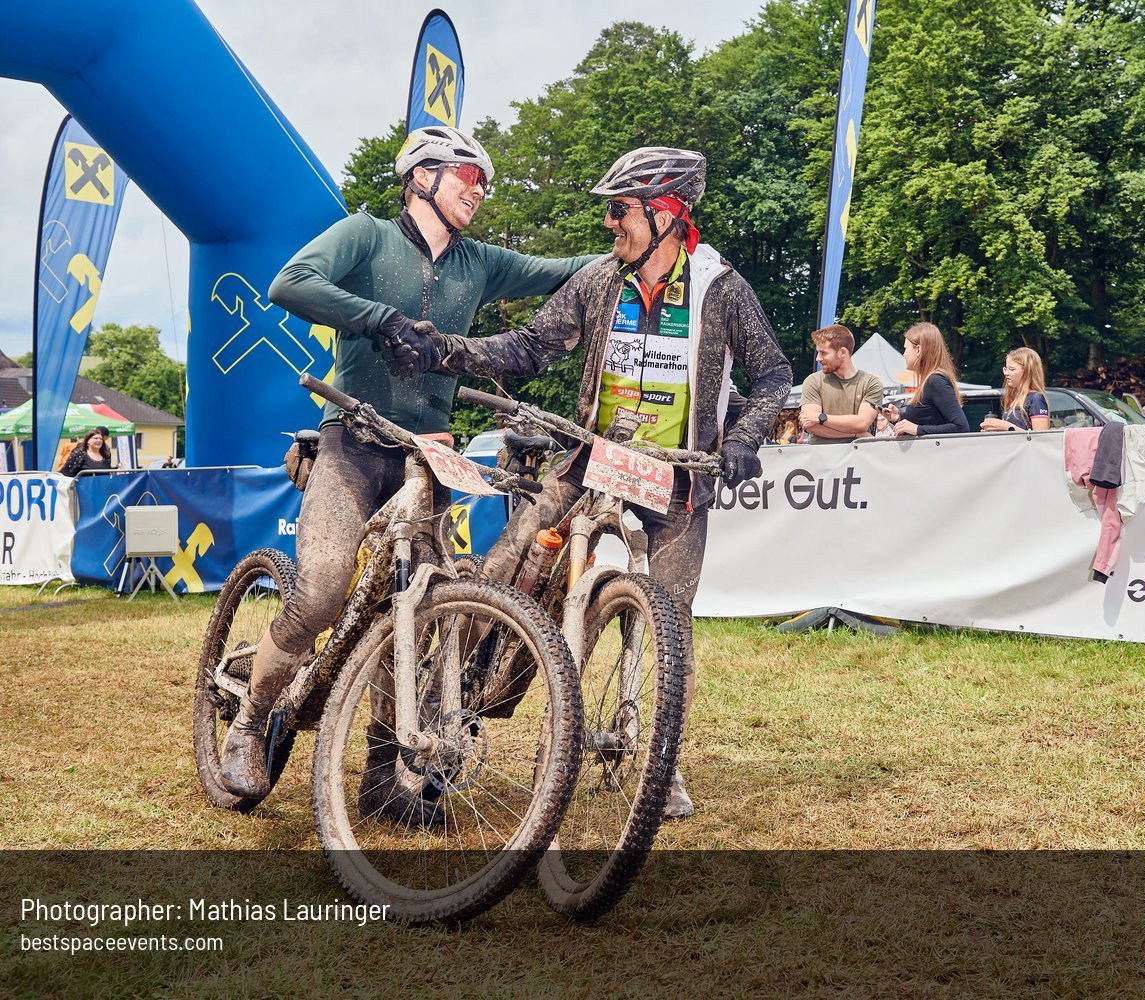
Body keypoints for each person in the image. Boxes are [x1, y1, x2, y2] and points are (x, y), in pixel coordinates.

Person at [401, 146, 793, 818]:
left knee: (671, 620)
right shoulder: (601, 278)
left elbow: (775, 374)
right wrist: (446, 349)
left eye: (621, 211)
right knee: (505, 564)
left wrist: (744, 437)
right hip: (595, 459)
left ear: (666, 214)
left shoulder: (720, 286)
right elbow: (530, 346)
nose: (610, 224)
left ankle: (662, 763)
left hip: (677, 479)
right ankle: (450, 705)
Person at [218, 125, 597, 809]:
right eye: (468, 176)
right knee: (321, 592)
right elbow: (288, 283)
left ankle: (383, 774)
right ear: (422, 176)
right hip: (353, 441)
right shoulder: (365, 234)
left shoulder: (479, 261)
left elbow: (561, 269)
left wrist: (645, 252)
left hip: (430, 456)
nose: (479, 191)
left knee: (417, 612)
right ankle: (249, 721)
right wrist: (380, 319)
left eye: (484, 183)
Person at [798, 324, 884, 444]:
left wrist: (820, 418)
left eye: (823, 353)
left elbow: (862, 423)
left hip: (857, 454)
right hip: (820, 454)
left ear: (842, 352)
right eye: (818, 353)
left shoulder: (871, 383)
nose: (818, 358)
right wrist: (855, 433)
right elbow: (810, 426)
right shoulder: (813, 381)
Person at [884, 322, 968, 436]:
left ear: (918, 350)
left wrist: (918, 429)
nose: (904, 354)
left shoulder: (935, 381)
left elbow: (961, 427)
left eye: (906, 348)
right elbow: (930, 420)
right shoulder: (931, 381)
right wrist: (898, 417)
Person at [981, 346, 1050, 432]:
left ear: (1027, 371)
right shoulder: (1015, 399)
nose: (1006, 373)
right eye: (1006, 369)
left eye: (1011, 369)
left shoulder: (1035, 398)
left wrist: (1007, 427)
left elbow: (1041, 436)